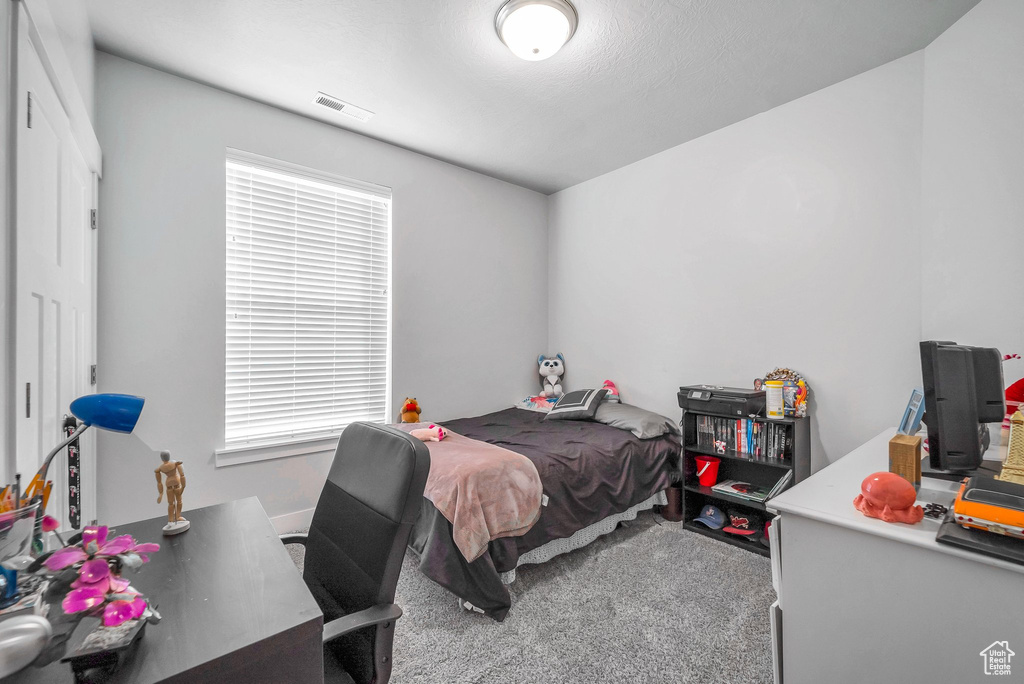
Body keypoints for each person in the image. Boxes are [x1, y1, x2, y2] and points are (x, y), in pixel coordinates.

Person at [155, 451, 187, 530]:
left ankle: (171, 520)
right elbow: (182, 475)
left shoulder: (161, 467)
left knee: (171, 504)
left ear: (162, 458)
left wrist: (161, 493)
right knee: (179, 501)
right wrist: (183, 486)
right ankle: (177, 516)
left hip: (169, 486)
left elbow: (159, 482)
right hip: (176, 485)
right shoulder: (174, 463)